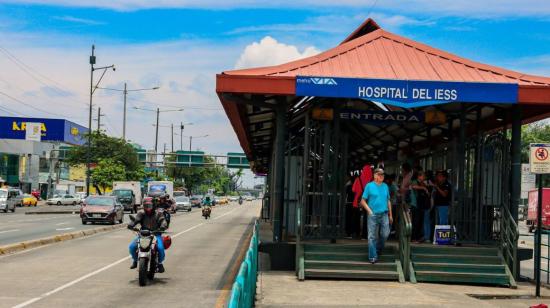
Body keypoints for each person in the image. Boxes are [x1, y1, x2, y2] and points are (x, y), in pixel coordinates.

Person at [360, 168, 392, 263]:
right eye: (379, 174)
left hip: (384, 214)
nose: (381, 176)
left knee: (385, 234)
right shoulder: (369, 186)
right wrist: (369, 211)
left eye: (383, 175)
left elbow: (388, 201)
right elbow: (362, 201)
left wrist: (391, 215)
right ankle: (373, 256)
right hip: (373, 214)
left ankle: (378, 248)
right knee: (372, 236)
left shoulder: (385, 186)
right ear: (374, 175)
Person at [128, 198, 168, 272]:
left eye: (149, 206)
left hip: (155, 234)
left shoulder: (158, 213)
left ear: (154, 205)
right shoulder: (141, 213)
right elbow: (136, 220)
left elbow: (163, 221)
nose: (148, 208)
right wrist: (131, 225)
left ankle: (160, 263)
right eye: (146, 206)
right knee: (132, 247)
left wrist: (163, 226)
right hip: (143, 234)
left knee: (160, 248)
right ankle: (135, 260)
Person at [410, 171, 431, 243]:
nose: (424, 177)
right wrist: (423, 188)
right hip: (415, 205)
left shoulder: (423, 183)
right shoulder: (414, 182)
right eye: (423, 176)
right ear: (419, 176)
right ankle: (413, 238)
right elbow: (414, 187)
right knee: (416, 221)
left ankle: (418, 237)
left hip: (421, 206)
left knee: (420, 222)